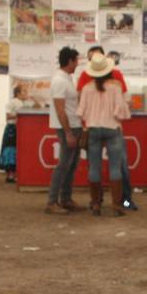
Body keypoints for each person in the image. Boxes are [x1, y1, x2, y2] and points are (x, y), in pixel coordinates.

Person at [77, 45, 137, 209]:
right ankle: (119, 204)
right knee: (117, 167)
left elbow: (80, 111)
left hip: (93, 129)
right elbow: (120, 111)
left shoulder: (87, 87)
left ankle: (96, 203)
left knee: (94, 167)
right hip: (112, 128)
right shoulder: (116, 85)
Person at [46, 46, 84, 214]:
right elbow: (60, 109)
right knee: (63, 165)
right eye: (76, 60)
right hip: (68, 128)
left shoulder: (67, 78)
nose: (77, 63)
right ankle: (52, 202)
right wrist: (68, 132)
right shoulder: (59, 81)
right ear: (70, 61)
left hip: (74, 125)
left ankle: (66, 199)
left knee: (71, 165)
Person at [0, 83, 28, 182]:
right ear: (18, 93)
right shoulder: (12, 103)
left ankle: (15, 174)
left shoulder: (24, 104)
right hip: (11, 129)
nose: (26, 94)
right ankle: (10, 175)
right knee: (10, 150)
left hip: (19, 129)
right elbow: (8, 117)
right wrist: (19, 116)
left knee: (17, 150)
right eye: (24, 91)